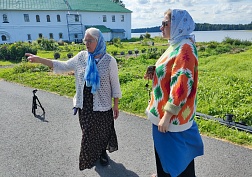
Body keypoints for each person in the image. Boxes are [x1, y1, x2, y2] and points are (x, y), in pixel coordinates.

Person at [26, 27, 122, 170]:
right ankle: (90, 156)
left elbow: (115, 85)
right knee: (88, 132)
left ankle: (102, 152)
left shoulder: (109, 61)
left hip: (102, 104)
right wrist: (39, 59)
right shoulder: (81, 57)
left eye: (90, 40)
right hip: (85, 103)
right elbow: (62, 65)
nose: (86, 43)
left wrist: (116, 105)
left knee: (102, 131)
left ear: (98, 41)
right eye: (85, 40)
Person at [144, 9, 204, 177]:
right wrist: (155, 71)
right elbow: (170, 70)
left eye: (165, 24)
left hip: (172, 119)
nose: (161, 27)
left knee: (177, 162)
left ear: (177, 25)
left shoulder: (185, 48)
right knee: (165, 156)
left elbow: (181, 84)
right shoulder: (175, 44)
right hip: (164, 114)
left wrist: (167, 116)